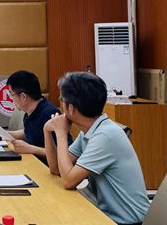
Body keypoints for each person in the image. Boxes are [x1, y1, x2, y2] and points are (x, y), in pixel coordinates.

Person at [44, 72, 149, 225]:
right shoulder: (90, 130)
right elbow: (56, 168)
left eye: (61, 100)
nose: (60, 104)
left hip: (126, 222)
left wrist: (60, 134)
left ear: (71, 108)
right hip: (104, 215)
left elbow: (68, 180)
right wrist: (47, 131)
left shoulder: (106, 135)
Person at [0, 70, 69, 159]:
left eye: (11, 94)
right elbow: (27, 132)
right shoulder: (30, 110)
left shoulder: (50, 114)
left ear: (23, 96)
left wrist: (31, 149)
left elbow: (64, 154)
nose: (11, 98)